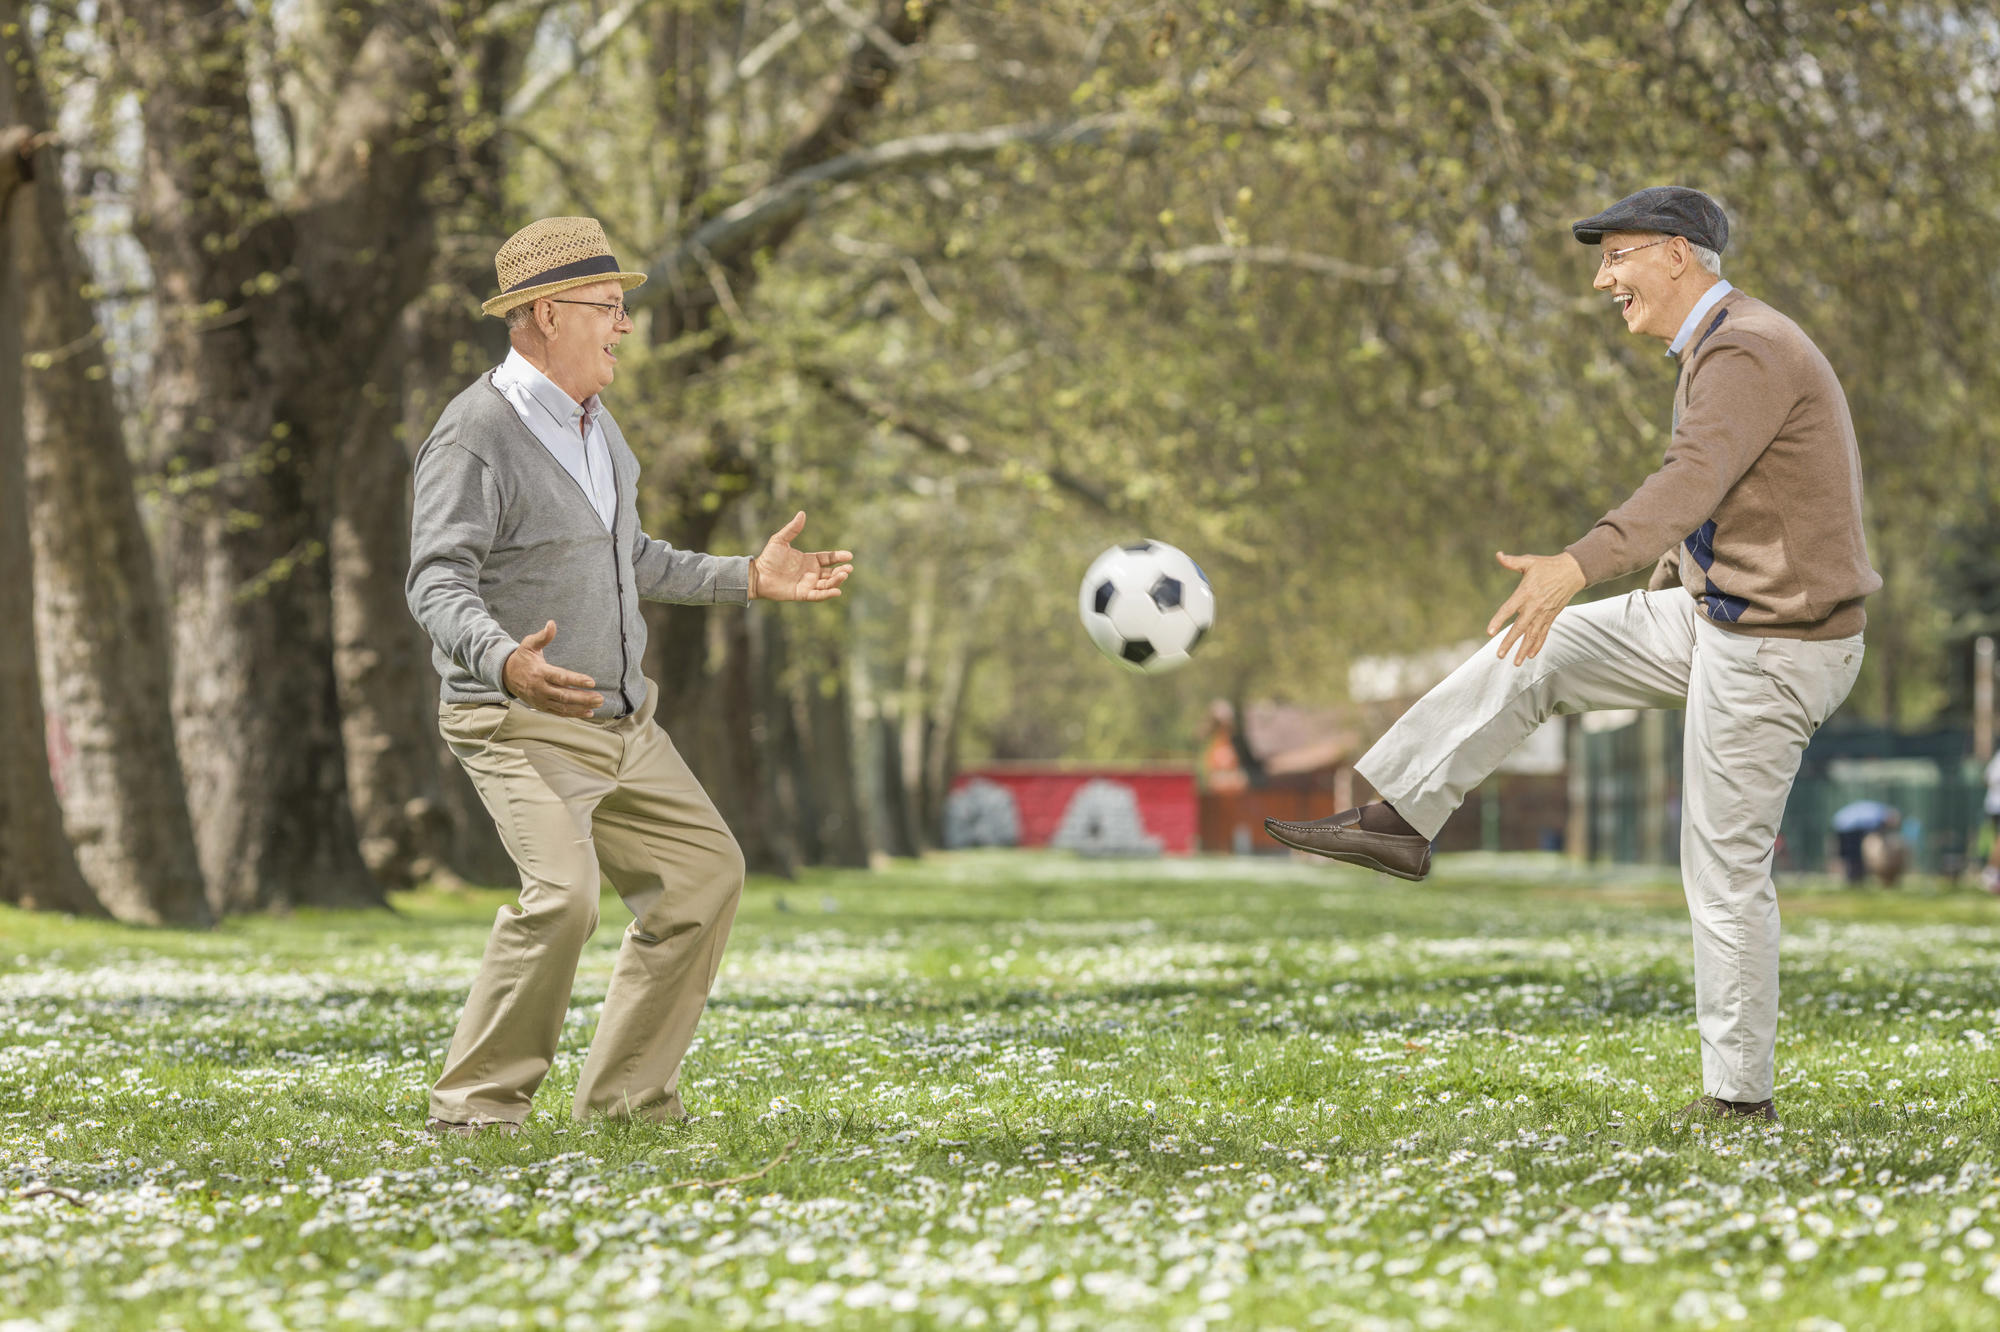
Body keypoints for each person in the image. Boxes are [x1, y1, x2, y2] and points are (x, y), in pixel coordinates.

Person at [1266, 187, 1878, 1124]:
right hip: (1721, 618)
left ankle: (1739, 1101)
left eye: (1617, 257)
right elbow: (1728, 497)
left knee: (1722, 869)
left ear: (1678, 255)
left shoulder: (1748, 346)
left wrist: (1577, 564)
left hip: (1778, 647)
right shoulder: (1722, 344)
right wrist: (1643, 584)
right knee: (1539, 648)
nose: (1603, 279)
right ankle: (1399, 816)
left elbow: (1692, 479)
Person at [406, 217, 854, 1135]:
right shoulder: (475, 435)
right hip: (516, 720)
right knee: (564, 898)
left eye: (624, 308)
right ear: (541, 314)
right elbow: (435, 582)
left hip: (624, 725)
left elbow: (632, 557)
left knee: (703, 876)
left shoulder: (599, 429)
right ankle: (475, 1109)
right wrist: (505, 661)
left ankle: (626, 1104)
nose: (625, 326)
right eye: (608, 308)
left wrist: (747, 579)